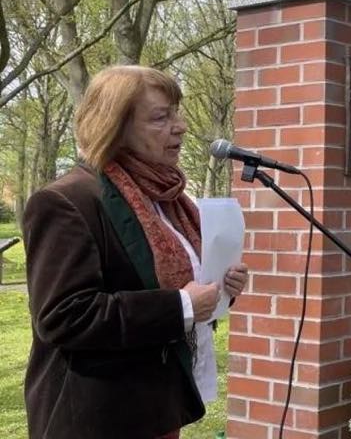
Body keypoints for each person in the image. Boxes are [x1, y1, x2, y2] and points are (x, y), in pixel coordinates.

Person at [22, 65, 249, 439]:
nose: (180, 126)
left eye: (176, 112)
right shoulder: (66, 201)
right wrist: (181, 307)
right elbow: (64, 316)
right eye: (161, 116)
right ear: (114, 125)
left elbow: (177, 289)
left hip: (156, 409)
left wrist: (221, 289)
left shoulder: (165, 200)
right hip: (97, 417)